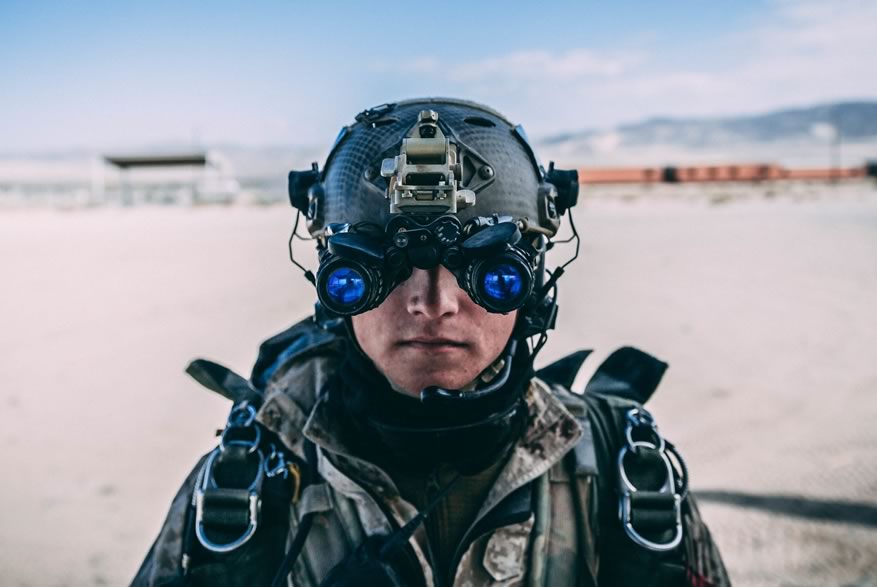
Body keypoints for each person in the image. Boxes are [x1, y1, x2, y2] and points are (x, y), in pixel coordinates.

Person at [132, 98, 730, 586]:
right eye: (381, 266)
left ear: (533, 285)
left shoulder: (627, 472)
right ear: (335, 285)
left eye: (489, 271)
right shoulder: (244, 486)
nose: (432, 301)